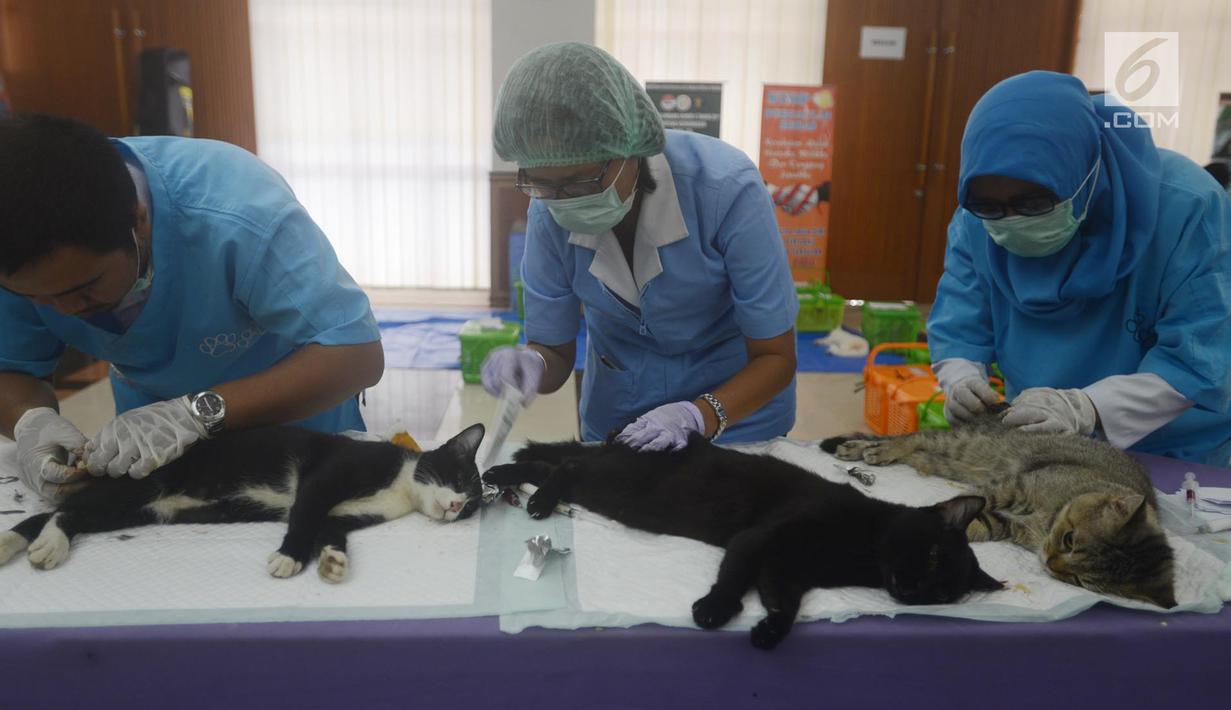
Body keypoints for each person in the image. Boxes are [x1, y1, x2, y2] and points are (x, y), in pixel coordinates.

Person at [0, 115, 383, 498]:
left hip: (298, 423)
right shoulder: (15, 245)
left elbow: (356, 353)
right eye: (37, 298)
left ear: (140, 222)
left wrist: (195, 414)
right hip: (153, 445)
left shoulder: (238, 213)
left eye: (85, 288)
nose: (63, 310)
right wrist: (31, 421)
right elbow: (11, 368)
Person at [483, 42, 798, 449]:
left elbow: (775, 356)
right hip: (619, 418)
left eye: (581, 181)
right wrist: (532, 364)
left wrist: (696, 416)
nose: (564, 199)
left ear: (629, 150)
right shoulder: (547, 212)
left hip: (738, 418)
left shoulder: (726, 191)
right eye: (544, 182)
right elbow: (555, 352)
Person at [929, 71, 1231, 466]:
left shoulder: (1187, 208)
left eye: (1034, 203)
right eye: (992, 207)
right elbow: (959, 322)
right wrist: (961, 380)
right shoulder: (977, 215)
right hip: (1040, 434)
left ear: (1086, 176)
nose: (1012, 220)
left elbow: (1199, 355)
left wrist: (1086, 407)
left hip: (1175, 449)